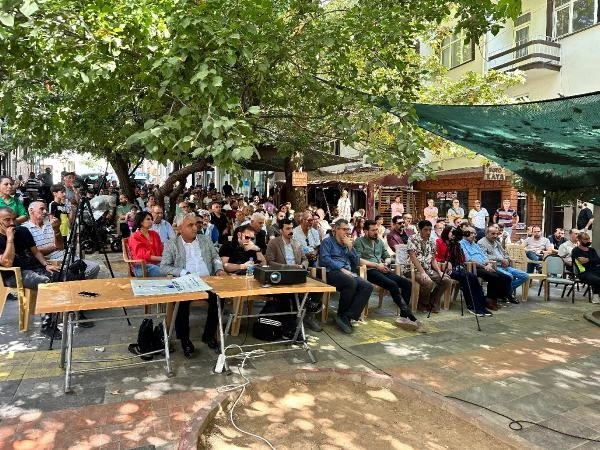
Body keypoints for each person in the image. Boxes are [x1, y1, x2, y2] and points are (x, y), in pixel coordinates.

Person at [160, 213, 226, 356]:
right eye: (190, 225)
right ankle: (185, 340)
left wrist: (219, 269)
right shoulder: (172, 244)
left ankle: (209, 335)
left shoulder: (205, 240)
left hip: (207, 280)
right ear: (179, 229)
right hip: (186, 282)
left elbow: (216, 257)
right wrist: (182, 272)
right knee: (182, 303)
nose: (195, 228)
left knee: (219, 298)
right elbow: (164, 266)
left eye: (196, 224)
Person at [0, 206, 61, 338]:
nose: (12, 223)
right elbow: (7, 263)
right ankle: (47, 326)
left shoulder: (23, 230)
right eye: (7, 220)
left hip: (35, 268)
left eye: (13, 219)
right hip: (14, 274)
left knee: (65, 276)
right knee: (47, 284)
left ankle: (75, 312)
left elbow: (36, 251)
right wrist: (10, 239)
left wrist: (46, 264)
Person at [355, 220, 422, 330]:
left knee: (407, 283)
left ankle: (403, 316)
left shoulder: (379, 242)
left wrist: (386, 262)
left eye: (377, 229)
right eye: (373, 230)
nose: (376, 232)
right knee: (392, 285)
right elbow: (358, 260)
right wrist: (377, 265)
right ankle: (409, 314)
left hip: (382, 269)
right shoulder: (359, 241)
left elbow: (387, 256)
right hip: (369, 271)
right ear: (366, 231)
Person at [265, 218, 322, 333]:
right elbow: (269, 262)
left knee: (320, 286)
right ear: (281, 230)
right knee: (290, 296)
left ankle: (308, 312)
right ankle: (297, 321)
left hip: (298, 273)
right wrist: (288, 267)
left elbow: (305, 259)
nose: (291, 231)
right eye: (288, 229)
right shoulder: (274, 243)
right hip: (282, 275)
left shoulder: (296, 243)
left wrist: (302, 266)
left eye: (292, 228)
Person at [319, 219, 373, 334]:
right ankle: (342, 315)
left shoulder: (348, 244)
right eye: (344, 229)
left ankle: (347, 316)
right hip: (332, 272)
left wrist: (350, 248)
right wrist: (340, 268)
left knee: (367, 286)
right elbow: (324, 259)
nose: (347, 232)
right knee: (351, 282)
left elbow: (356, 262)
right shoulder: (327, 242)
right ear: (336, 229)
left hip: (348, 273)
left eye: (348, 229)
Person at [435, 226, 492, 316]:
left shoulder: (456, 243)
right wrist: (445, 262)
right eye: (451, 232)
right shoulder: (439, 242)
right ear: (446, 232)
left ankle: (481, 306)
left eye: (454, 233)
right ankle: (472, 306)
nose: (453, 235)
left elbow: (462, 259)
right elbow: (435, 258)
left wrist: (457, 247)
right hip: (445, 269)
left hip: (458, 267)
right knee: (467, 277)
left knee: (473, 276)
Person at [461, 226, 513, 311]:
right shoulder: (461, 244)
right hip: (473, 268)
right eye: (471, 233)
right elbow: (468, 259)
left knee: (506, 277)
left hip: (485, 266)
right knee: (494, 277)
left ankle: (494, 298)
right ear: (464, 234)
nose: (473, 235)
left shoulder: (475, 244)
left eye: (475, 233)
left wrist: (488, 264)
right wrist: (484, 266)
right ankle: (490, 301)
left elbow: (484, 256)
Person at [407, 220, 452, 313]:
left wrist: (439, 272)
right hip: (413, 269)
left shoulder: (432, 241)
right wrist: (422, 272)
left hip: (428, 269)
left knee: (446, 280)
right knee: (428, 282)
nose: (428, 232)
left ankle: (432, 301)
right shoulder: (412, 239)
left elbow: (433, 259)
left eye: (430, 230)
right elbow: (413, 256)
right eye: (425, 230)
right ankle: (423, 303)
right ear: (419, 229)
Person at [478, 226, 528, 303]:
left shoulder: (497, 242)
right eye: (493, 234)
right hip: (495, 266)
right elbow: (484, 256)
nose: (495, 236)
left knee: (525, 276)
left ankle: (503, 293)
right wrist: (501, 259)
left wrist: (507, 259)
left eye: (497, 234)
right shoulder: (481, 243)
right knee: (509, 276)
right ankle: (508, 295)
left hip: (505, 265)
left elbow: (505, 253)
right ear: (486, 234)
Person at [127, 211, 164, 277]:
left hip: (157, 263)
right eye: (148, 219)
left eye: (151, 219)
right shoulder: (134, 237)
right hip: (141, 266)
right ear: (141, 221)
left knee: (176, 267)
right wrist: (162, 259)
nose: (151, 221)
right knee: (168, 272)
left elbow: (161, 250)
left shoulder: (155, 234)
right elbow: (143, 255)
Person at [571, 232, 600, 303]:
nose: (588, 241)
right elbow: (582, 262)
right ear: (580, 240)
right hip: (584, 273)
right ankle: (596, 298)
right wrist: (592, 261)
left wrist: (588, 260)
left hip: (595, 270)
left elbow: (598, 261)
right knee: (598, 280)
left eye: (589, 239)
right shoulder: (576, 251)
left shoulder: (592, 250)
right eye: (586, 239)